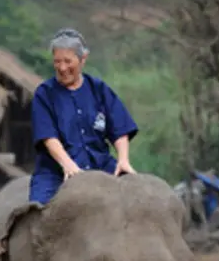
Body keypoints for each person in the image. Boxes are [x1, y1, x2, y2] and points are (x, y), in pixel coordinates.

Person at [29, 28, 139, 205]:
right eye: (57, 61)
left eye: (67, 61)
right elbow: (48, 137)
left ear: (83, 59)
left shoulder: (99, 90)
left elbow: (119, 129)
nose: (62, 68)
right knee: (36, 212)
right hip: (56, 171)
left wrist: (123, 159)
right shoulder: (44, 94)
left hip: (101, 166)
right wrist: (68, 164)